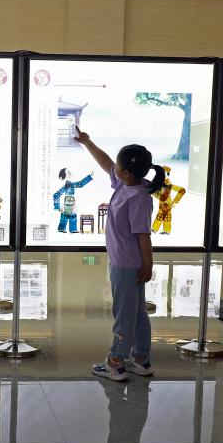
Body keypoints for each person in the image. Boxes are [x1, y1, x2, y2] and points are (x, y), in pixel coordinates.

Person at [75, 126, 164, 381]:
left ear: (127, 172)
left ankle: (115, 362)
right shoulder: (128, 184)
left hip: (127, 265)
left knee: (124, 313)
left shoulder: (138, 198)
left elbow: (143, 235)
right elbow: (106, 163)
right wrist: (87, 142)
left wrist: (148, 265)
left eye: (118, 166)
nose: (113, 168)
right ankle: (141, 359)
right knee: (136, 312)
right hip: (127, 262)